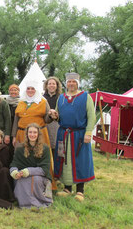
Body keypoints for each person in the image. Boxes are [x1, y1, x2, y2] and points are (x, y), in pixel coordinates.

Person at [50, 72, 95, 202]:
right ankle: (67, 188)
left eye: (74, 81)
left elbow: (91, 116)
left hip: (79, 135)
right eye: (69, 81)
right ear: (66, 83)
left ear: (77, 83)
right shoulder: (62, 97)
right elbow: (59, 115)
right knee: (64, 160)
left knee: (80, 160)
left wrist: (88, 132)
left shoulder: (85, 97)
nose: (71, 84)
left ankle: (80, 190)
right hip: (63, 134)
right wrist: (54, 115)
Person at [12, 80, 56, 190]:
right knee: (23, 157)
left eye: (32, 89)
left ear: (36, 90)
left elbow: (47, 118)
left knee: (41, 156)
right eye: (28, 88)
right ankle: (23, 184)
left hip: (39, 134)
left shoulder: (42, 101)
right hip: (21, 134)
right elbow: (16, 120)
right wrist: (13, 136)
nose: (30, 91)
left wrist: (51, 116)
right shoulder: (21, 102)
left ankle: (46, 184)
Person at [10, 123, 53, 208]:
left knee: (35, 179)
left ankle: (38, 202)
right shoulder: (20, 148)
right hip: (23, 175)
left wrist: (29, 171)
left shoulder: (45, 149)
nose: (32, 135)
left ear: (38, 134)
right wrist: (14, 172)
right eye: (30, 132)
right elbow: (14, 164)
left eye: (34, 132)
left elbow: (45, 169)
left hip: (40, 176)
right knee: (20, 180)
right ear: (27, 134)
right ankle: (24, 204)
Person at [43, 77, 62, 157]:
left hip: (57, 125)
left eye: (53, 84)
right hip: (45, 125)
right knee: (46, 147)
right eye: (49, 84)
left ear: (57, 86)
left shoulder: (61, 98)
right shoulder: (42, 98)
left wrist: (56, 115)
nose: (51, 85)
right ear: (46, 86)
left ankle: (59, 167)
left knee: (58, 148)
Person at [5, 84, 20, 158]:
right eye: (11, 90)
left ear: (18, 91)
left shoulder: (21, 103)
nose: (13, 92)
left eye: (15, 90)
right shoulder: (5, 103)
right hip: (7, 128)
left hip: (17, 129)